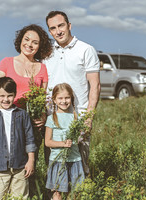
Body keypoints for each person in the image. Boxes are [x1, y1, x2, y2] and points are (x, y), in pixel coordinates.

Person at [0, 24, 53, 196]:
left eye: (35, 42)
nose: (29, 44)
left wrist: (42, 116)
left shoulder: (42, 68)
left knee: (28, 165)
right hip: (6, 118)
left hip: (31, 123)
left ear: (39, 46)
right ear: (20, 40)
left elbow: (42, 97)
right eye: (26, 39)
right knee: (6, 161)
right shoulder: (6, 62)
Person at [44, 11, 101, 176]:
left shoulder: (86, 50)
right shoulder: (46, 53)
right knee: (54, 167)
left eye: (61, 25)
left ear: (69, 26)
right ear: (49, 31)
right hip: (52, 118)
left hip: (78, 117)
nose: (58, 31)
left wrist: (88, 117)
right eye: (53, 28)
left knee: (80, 168)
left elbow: (95, 86)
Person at [45, 83, 85, 200]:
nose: (64, 101)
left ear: (71, 98)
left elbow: (78, 136)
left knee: (72, 192)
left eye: (67, 98)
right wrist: (62, 144)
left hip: (74, 159)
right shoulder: (52, 118)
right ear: (54, 100)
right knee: (57, 192)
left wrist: (79, 138)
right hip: (58, 160)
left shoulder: (75, 117)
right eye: (60, 98)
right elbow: (48, 142)